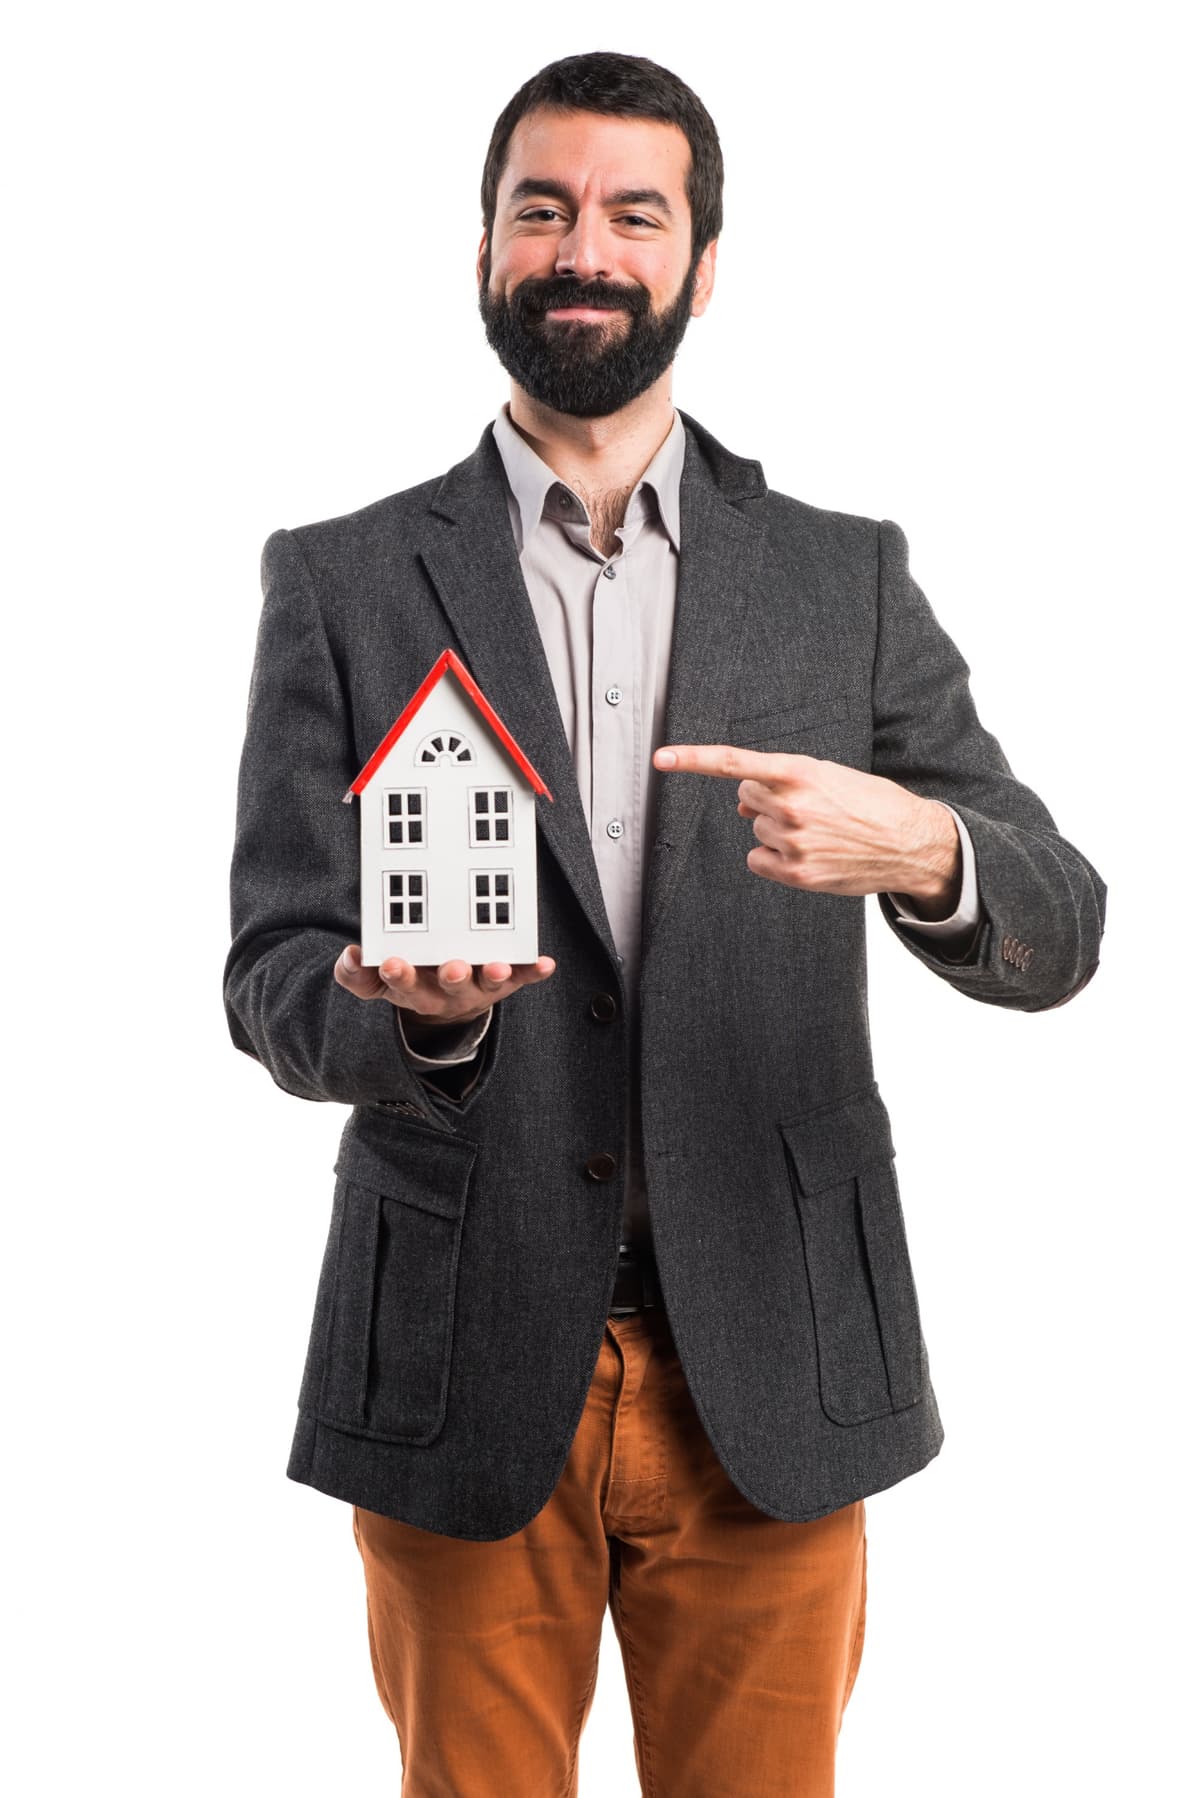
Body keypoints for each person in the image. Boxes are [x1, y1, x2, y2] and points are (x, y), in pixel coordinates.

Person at [224, 49, 1107, 1797]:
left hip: (773, 1358)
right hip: (463, 1356)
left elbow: (1061, 920)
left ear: (703, 262)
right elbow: (266, 974)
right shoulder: (338, 578)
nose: (584, 247)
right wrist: (419, 1018)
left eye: (637, 212)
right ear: (483, 247)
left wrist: (925, 843)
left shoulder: (842, 576)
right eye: (540, 207)